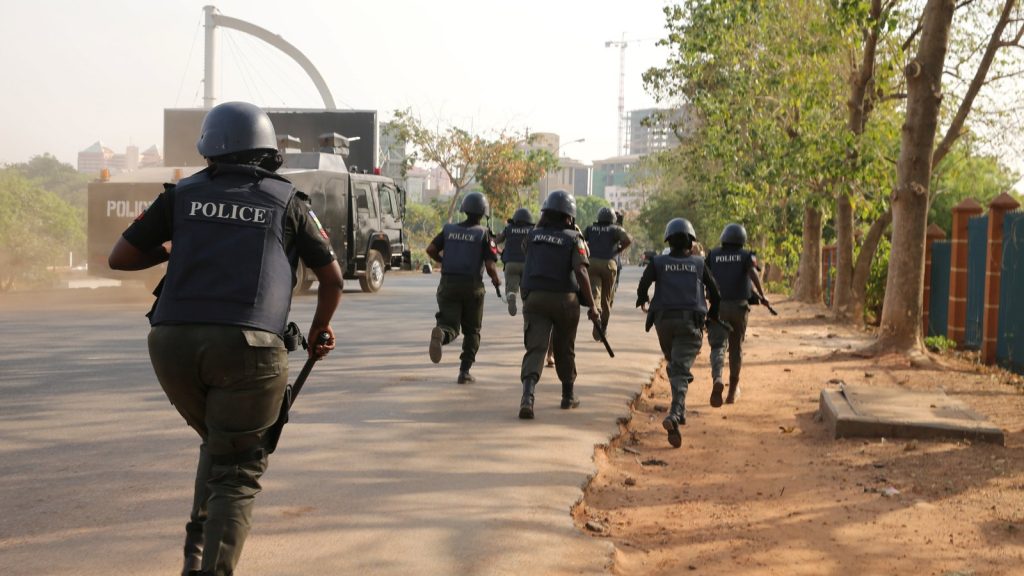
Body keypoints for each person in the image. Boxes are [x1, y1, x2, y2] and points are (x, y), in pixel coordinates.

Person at [107, 101, 344, 576]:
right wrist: (320, 329)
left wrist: (172, 245)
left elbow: (121, 258)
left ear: (208, 149)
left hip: (170, 343)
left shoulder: (182, 195)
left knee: (220, 444)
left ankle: (195, 559)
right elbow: (333, 277)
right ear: (267, 150)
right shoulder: (287, 201)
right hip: (249, 349)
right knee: (237, 469)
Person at [636, 218, 721, 449]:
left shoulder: (658, 261)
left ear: (668, 240)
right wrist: (713, 316)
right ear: (691, 243)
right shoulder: (699, 264)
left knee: (674, 365)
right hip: (689, 323)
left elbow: (643, 286)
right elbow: (716, 293)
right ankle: (674, 413)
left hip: (663, 323)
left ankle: (679, 412)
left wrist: (642, 299)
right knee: (680, 369)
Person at [518, 190, 600, 420]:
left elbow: (527, 251)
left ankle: (527, 397)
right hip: (565, 300)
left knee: (535, 348)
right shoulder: (574, 238)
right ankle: (568, 395)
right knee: (564, 347)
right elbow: (582, 270)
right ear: (570, 217)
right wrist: (593, 307)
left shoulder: (533, 235)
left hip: (534, 299)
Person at [426, 192, 501, 384]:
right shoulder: (484, 234)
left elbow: (431, 250)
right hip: (472, 287)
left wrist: (444, 261)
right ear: (483, 213)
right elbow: (491, 266)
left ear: (464, 209)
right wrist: (496, 281)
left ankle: (441, 334)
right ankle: (464, 371)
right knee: (472, 331)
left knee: (449, 325)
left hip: (448, 284)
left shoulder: (449, 229)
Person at [705, 223, 769, 405]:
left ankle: (717, 378)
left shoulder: (713, 255)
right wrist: (762, 295)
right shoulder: (746, 255)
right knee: (735, 348)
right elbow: (753, 274)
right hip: (739, 308)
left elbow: (704, 276)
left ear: (723, 237)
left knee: (718, 346)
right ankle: (732, 391)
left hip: (718, 307)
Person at [584, 206, 631, 341]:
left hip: (592, 263)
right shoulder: (615, 229)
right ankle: (602, 329)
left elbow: (580, 238)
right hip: (609, 264)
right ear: (613, 219)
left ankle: (596, 312)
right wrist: (617, 251)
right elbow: (627, 239)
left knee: (595, 293)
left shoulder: (590, 228)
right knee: (607, 299)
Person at [495, 207, 534, 316]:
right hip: (527, 264)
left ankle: (511, 296)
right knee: (527, 290)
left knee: (511, 287)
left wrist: (500, 252)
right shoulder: (533, 230)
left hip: (511, 263)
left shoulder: (509, 229)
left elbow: (495, 241)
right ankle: (527, 306)